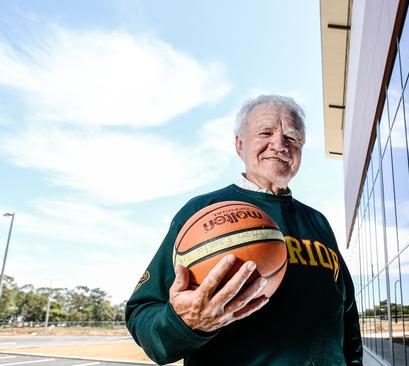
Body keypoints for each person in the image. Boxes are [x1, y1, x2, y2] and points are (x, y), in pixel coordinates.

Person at [125, 95, 363, 365]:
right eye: (265, 132)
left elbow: (347, 313)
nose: (280, 144)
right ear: (240, 145)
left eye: (293, 138)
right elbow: (142, 312)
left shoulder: (317, 221)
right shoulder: (202, 212)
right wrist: (185, 324)